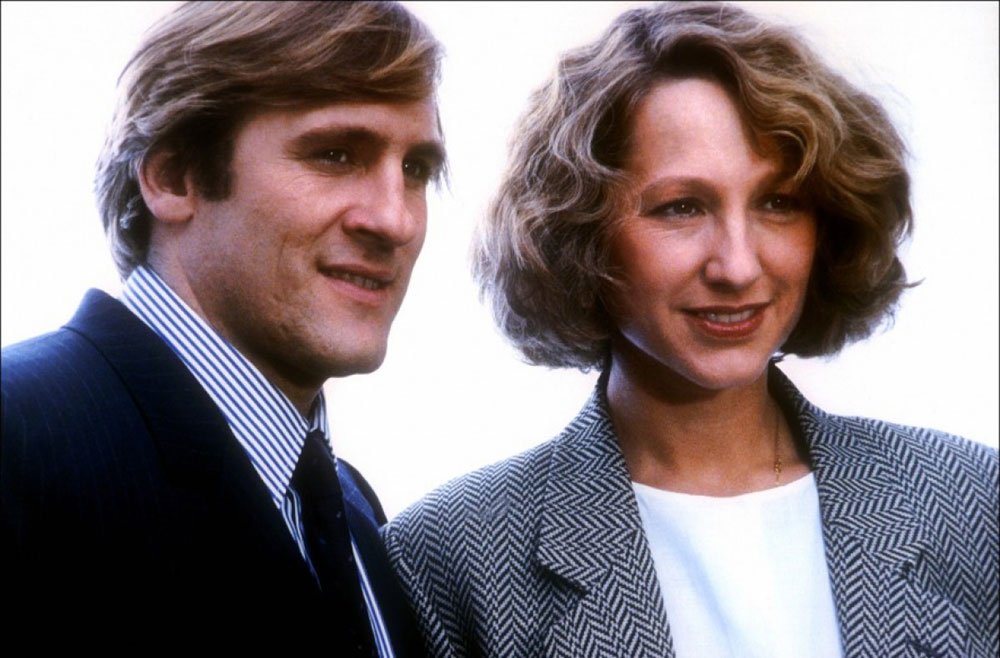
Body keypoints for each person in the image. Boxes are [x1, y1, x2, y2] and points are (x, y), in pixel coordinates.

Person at [382, 3, 999, 657]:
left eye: (778, 202)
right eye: (682, 207)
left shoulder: (970, 499)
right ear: (580, 233)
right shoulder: (451, 557)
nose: (737, 265)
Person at [1, 1, 444, 653]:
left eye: (416, 170)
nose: (395, 219)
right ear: (173, 176)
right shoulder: (19, 440)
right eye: (335, 154)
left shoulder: (355, 515)